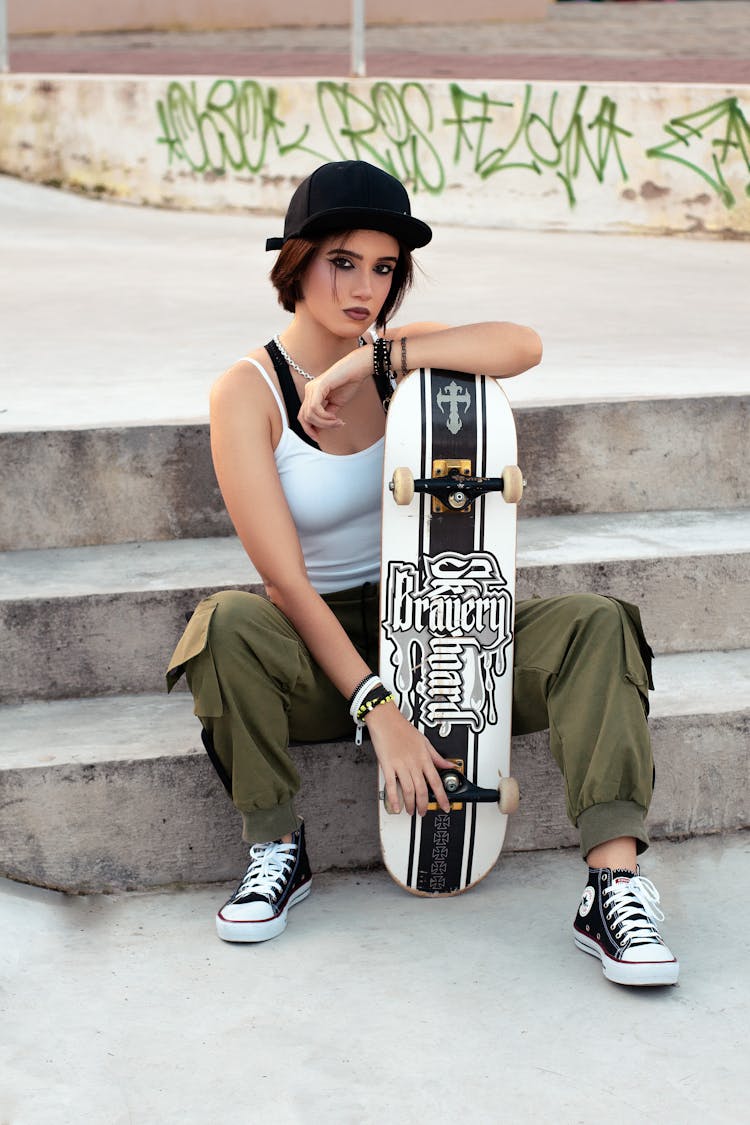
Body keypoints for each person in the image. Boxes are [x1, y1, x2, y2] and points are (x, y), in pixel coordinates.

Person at [166, 159, 679, 987]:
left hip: (446, 628)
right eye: (342, 260)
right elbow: (286, 584)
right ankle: (277, 846)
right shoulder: (245, 391)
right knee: (224, 624)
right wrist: (382, 713)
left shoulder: (397, 359)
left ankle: (612, 885)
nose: (364, 286)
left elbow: (523, 343)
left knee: (598, 622)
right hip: (320, 652)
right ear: (296, 261)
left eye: (384, 266)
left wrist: (367, 365)